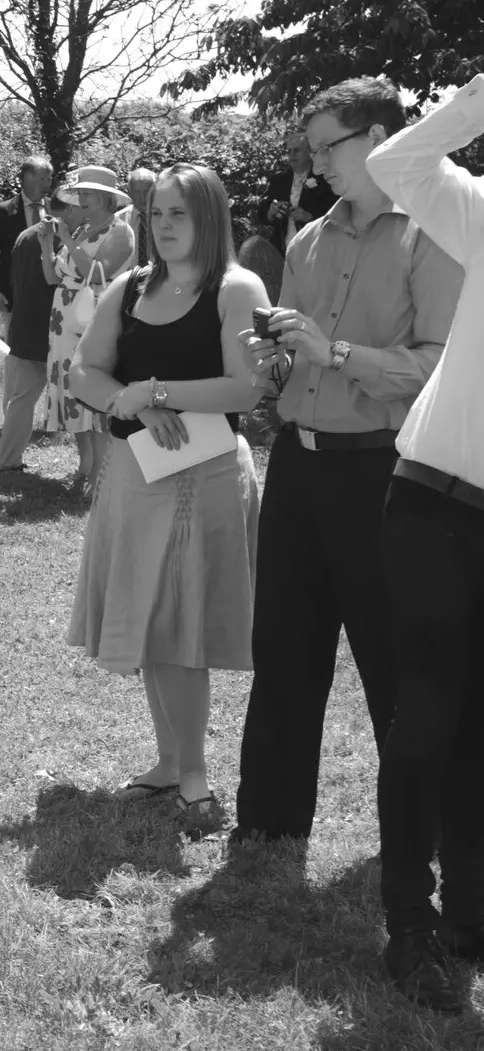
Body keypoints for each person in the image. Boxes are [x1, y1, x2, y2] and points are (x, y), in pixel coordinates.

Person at [231, 77, 464, 850]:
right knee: (285, 646)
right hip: (298, 466)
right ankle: (268, 820)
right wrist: (272, 364)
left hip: (384, 474)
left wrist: (332, 352)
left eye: (330, 144)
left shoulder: (436, 232)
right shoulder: (307, 240)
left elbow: (438, 365)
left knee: (392, 655)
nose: (317, 162)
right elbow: (297, 368)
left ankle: (423, 836)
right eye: (313, 147)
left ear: (379, 139)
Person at [66, 163, 269, 829]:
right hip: (135, 475)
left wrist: (150, 394)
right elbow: (84, 372)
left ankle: (195, 775)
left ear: (210, 216)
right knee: (154, 624)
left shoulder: (236, 288)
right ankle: (166, 763)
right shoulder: (128, 288)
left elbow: (245, 390)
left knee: (185, 628)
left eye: (180, 213)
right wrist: (128, 402)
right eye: (157, 213)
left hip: (205, 476)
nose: (166, 226)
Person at [363, 71, 484, 1014]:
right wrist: (478, 99)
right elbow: (396, 160)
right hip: (439, 507)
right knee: (431, 718)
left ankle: (472, 917)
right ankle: (411, 921)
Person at [39, 167, 135, 491]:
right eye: (80, 191)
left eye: (87, 192)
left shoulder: (120, 231)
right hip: (62, 319)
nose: (80, 196)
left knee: (91, 391)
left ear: (106, 197)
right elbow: (54, 276)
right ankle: (85, 465)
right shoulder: (81, 227)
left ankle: (101, 475)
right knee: (71, 392)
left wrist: (66, 239)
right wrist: (47, 244)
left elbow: (97, 275)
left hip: (92, 319)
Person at [0, 195, 68, 473]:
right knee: (22, 400)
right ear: (67, 209)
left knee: (18, 399)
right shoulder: (60, 237)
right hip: (46, 328)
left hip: (23, 325)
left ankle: (7, 459)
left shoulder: (26, 234)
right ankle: (7, 461)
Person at [0, 155, 52, 312]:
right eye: (43, 179)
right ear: (28, 178)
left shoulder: (57, 210)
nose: (48, 185)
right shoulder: (2, 212)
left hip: (52, 295)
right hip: (14, 297)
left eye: (49, 179)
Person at [261, 132, 335, 252]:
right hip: (282, 252)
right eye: (289, 151)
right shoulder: (279, 180)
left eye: (297, 150)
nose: (292, 155)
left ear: (310, 152)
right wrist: (271, 212)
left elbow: (335, 215)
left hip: (314, 249)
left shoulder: (324, 179)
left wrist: (310, 217)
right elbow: (263, 213)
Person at [119, 167, 156, 268]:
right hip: (127, 280)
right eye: (137, 192)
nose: (142, 197)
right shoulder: (118, 220)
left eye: (146, 192)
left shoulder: (165, 219)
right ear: (129, 192)